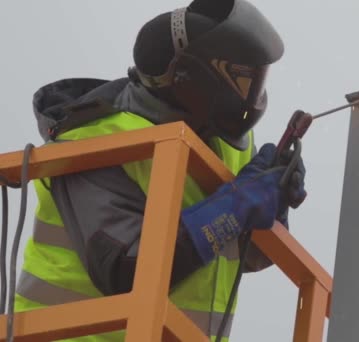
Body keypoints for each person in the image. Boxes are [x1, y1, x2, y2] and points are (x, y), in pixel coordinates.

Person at [16, 1, 307, 341]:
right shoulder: (96, 141)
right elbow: (128, 269)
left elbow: (245, 257)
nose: (253, 95)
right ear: (191, 76)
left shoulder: (227, 145)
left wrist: (273, 205)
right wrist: (234, 206)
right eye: (243, 79)